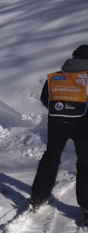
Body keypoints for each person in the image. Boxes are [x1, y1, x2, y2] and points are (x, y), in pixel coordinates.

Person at [29, 45, 88, 227]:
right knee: (85, 163)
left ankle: (38, 196)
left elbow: (46, 99)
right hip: (82, 124)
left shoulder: (54, 77)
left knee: (51, 157)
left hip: (57, 123)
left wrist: (63, 109)